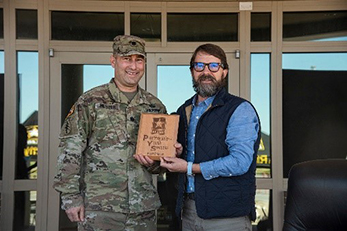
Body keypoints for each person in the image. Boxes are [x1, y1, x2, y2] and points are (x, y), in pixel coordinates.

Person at [53, 35, 167, 231]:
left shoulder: (155, 106)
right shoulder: (90, 102)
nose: (133, 66)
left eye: (139, 60)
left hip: (143, 210)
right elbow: (69, 151)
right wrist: (70, 197)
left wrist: (158, 161)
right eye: (126, 59)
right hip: (101, 210)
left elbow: (159, 164)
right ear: (113, 61)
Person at [160, 43, 261, 231]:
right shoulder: (184, 110)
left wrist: (189, 167)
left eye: (214, 66)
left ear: (224, 72)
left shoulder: (240, 109)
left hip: (227, 217)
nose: (206, 71)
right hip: (188, 212)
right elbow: (187, 154)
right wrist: (179, 152)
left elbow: (240, 162)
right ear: (192, 71)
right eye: (200, 66)